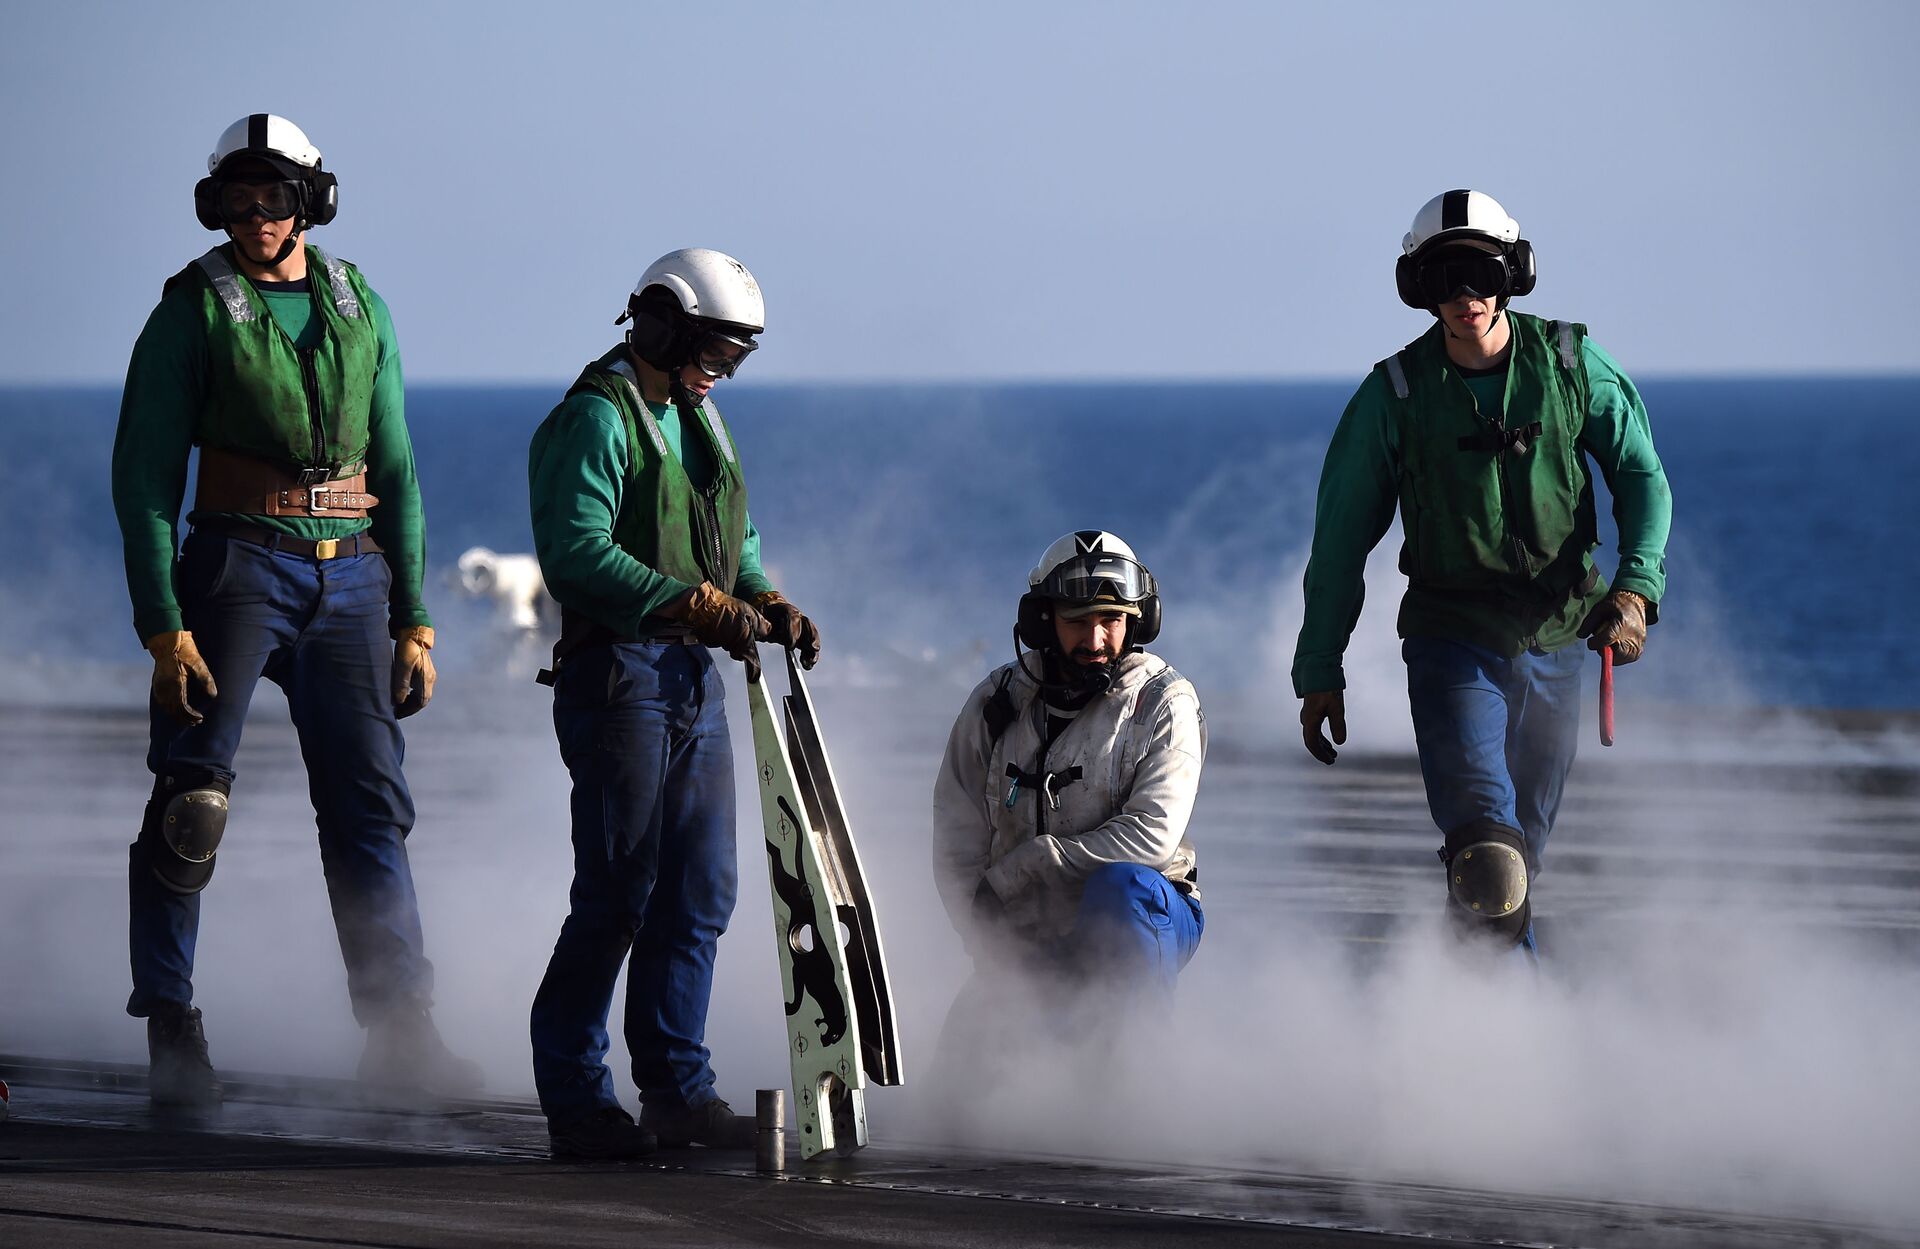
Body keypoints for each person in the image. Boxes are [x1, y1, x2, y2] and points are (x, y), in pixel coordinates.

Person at [111, 113, 477, 1106]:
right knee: (193, 803)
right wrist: (161, 621)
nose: (254, 217)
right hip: (235, 566)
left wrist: (415, 614)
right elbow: (145, 473)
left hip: (353, 574)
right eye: (236, 197)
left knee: (371, 809)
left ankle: (401, 1032)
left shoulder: (364, 305)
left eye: (274, 197)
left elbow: (395, 465)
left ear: (312, 199)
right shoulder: (190, 311)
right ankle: (173, 1027)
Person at [1292, 189, 1672, 955]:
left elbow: (1641, 477)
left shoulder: (1570, 365)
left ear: (1513, 271)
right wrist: (1319, 665)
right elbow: (1339, 540)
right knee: (1490, 865)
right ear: (1418, 289)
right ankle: (1515, 1034)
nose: (1465, 296)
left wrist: (1635, 588)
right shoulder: (1393, 398)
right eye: (1444, 278)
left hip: (1562, 639)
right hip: (1453, 643)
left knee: (1513, 866)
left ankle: (1472, 1034)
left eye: (1479, 272)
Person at [526, 248, 822, 1160]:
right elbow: (574, 553)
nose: (718, 371)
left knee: (699, 891)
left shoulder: (702, 419)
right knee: (618, 891)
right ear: (659, 326)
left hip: (692, 679)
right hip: (621, 678)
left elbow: (738, 533)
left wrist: (763, 595)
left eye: (733, 357)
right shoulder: (594, 418)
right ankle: (576, 1098)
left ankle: (677, 1091)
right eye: (710, 350)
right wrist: (692, 601)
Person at [932, 530, 1205, 1013]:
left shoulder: (1164, 701)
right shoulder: (995, 704)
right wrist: (986, 943)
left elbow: (1152, 835)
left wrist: (1027, 867)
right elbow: (956, 836)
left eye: (1112, 620)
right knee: (960, 1079)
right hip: (1032, 925)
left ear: (1139, 621)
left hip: (1143, 913)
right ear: (1042, 621)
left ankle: (1139, 1070)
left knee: (1123, 892)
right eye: (1078, 620)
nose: (1096, 639)